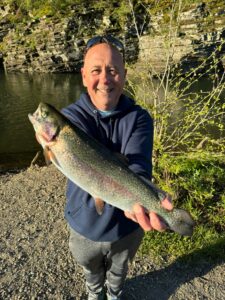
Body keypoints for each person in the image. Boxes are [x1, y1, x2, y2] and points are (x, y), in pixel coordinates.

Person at [60, 35, 173, 300]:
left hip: (126, 225)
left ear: (124, 74)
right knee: (89, 266)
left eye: (113, 70)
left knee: (120, 269)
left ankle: (114, 293)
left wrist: (149, 199)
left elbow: (138, 164)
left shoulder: (140, 118)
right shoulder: (69, 119)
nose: (105, 79)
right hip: (83, 223)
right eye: (96, 71)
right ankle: (94, 290)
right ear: (84, 76)